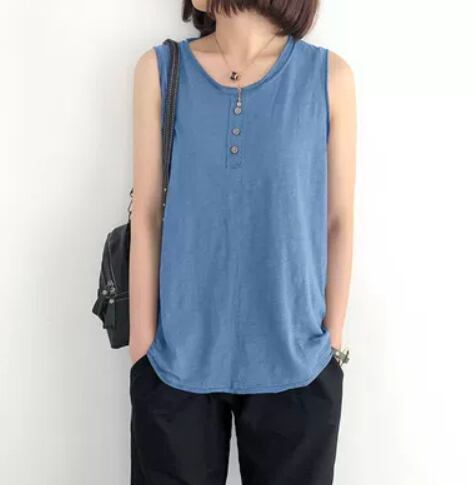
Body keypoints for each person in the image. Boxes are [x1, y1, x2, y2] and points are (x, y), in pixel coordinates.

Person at [128, 0, 356, 483]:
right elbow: (146, 214)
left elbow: (338, 220)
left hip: (297, 363)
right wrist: (143, 351)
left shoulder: (328, 77)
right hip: (176, 362)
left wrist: (329, 346)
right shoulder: (160, 70)